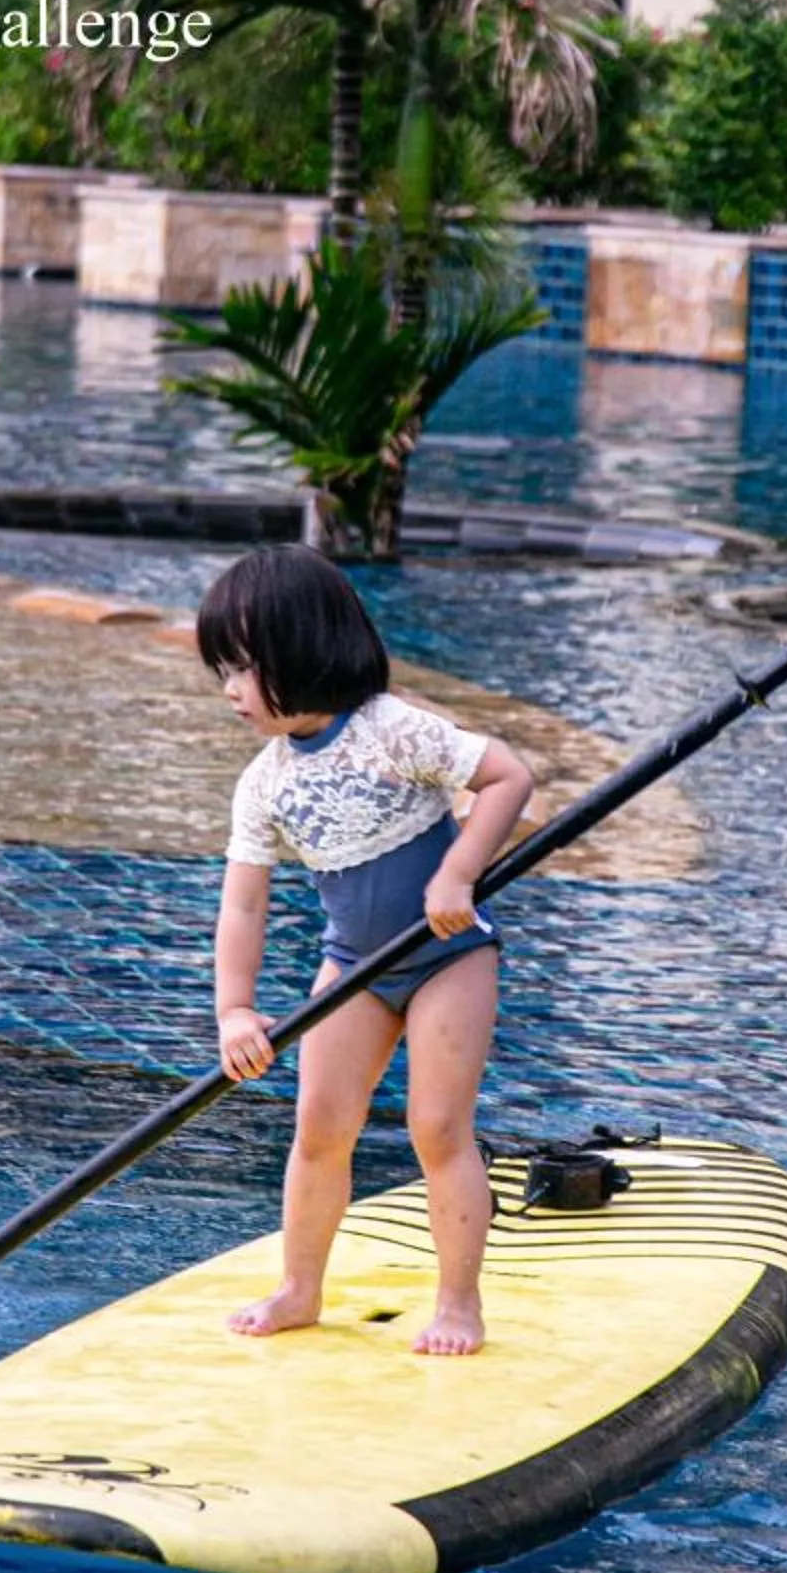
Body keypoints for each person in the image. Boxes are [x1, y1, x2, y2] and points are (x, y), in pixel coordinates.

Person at [197, 545, 534, 1357]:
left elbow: (509, 778)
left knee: (435, 1127)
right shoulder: (265, 782)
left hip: (448, 958)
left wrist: (459, 873)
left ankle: (458, 1304)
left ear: (303, 652)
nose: (230, 691)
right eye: (225, 672)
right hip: (353, 966)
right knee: (319, 1125)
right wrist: (236, 1009)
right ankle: (299, 1289)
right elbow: (244, 903)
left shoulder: (392, 730)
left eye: (243, 669)